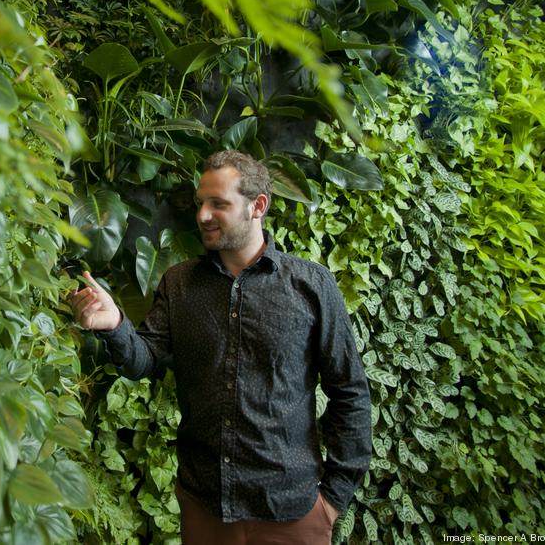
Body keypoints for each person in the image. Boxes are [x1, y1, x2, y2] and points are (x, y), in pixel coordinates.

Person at [72, 150, 372, 545]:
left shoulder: (311, 286)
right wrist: (114, 326)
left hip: (292, 512)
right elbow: (144, 360)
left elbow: (349, 392)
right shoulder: (179, 283)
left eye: (219, 204)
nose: (202, 215)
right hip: (206, 508)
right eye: (201, 202)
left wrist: (332, 499)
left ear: (257, 206)